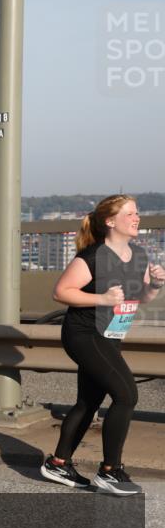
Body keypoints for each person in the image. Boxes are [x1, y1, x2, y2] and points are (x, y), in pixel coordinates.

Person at [42, 195, 164, 495]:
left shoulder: (138, 255)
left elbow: (139, 298)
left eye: (138, 212)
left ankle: (59, 462)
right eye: (131, 213)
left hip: (109, 335)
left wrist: (155, 286)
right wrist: (102, 299)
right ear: (110, 221)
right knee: (126, 394)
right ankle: (110, 471)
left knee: (89, 401)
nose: (137, 218)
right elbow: (61, 292)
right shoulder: (93, 256)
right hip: (84, 334)